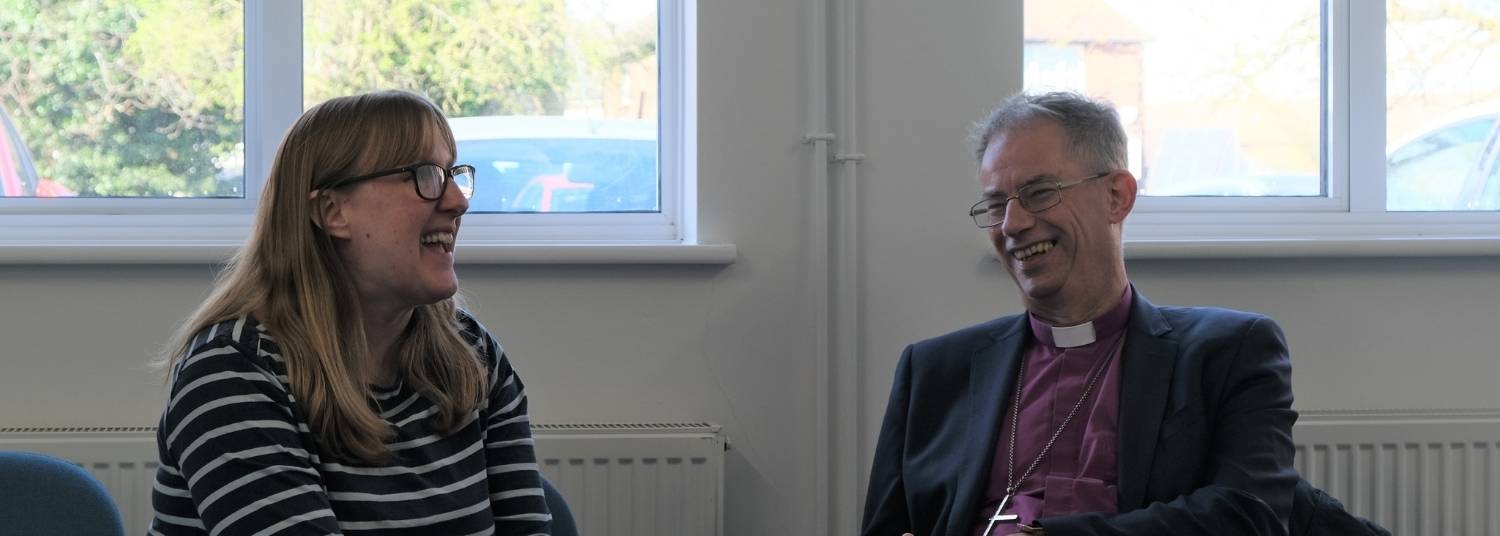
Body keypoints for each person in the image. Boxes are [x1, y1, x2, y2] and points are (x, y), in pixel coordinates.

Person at [860, 91, 1297, 536]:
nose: (1012, 224)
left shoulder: (1227, 352)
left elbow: (1249, 516)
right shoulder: (933, 371)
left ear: (1116, 196)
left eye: (1039, 192)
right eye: (996, 205)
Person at [148, 90, 551, 535]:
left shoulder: (472, 355)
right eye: (425, 176)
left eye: (454, 174)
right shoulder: (232, 371)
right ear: (333, 211)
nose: (457, 201)